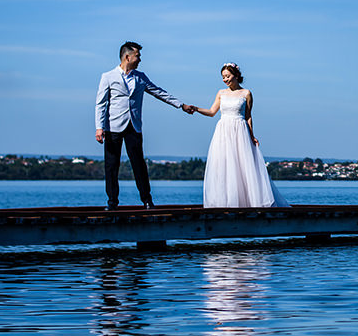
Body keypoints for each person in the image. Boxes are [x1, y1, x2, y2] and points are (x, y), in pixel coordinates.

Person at [95, 41, 196, 210]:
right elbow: (101, 104)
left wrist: (181, 105)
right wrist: (99, 127)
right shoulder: (108, 77)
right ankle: (112, 202)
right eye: (137, 56)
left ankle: (147, 200)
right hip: (113, 127)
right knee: (111, 166)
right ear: (127, 57)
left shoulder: (140, 77)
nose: (140, 59)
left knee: (139, 164)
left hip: (134, 126)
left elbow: (159, 92)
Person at [189, 62, 289, 208]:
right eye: (223, 77)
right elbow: (212, 112)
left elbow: (248, 116)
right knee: (224, 164)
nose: (225, 80)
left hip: (240, 131)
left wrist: (252, 135)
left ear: (235, 76)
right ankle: (225, 202)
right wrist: (196, 109)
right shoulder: (221, 93)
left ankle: (247, 202)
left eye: (227, 76)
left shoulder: (246, 93)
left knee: (242, 165)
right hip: (223, 131)